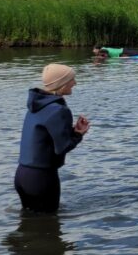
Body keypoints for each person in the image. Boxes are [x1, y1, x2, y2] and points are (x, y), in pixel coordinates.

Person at [15, 64, 90, 213]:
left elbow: (43, 137)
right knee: (49, 224)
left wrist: (71, 131)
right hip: (41, 178)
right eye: (72, 79)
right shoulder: (59, 110)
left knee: (29, 221)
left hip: (22, 175)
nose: (75, 83)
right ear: (62, 84)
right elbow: (62, 147)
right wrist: (78, 134)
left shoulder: (36, 105)